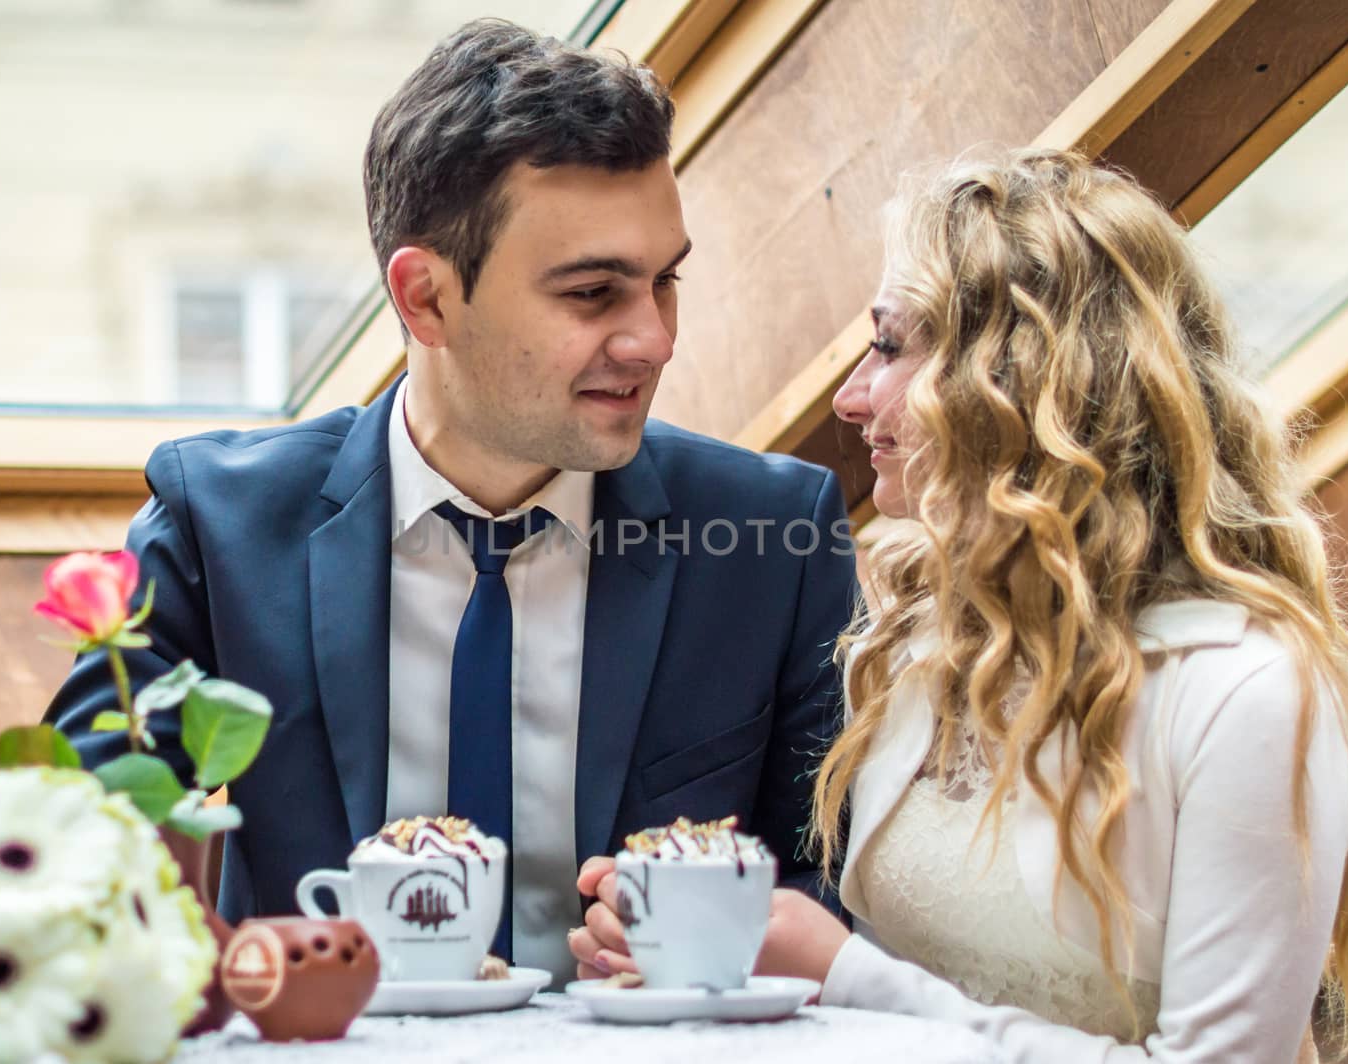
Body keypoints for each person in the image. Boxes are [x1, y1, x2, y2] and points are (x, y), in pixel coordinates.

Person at [46, 18, 858, 980]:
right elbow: (69, 850)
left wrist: (722, 944)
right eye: (595, 293)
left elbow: (837, 889)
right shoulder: (216, 525)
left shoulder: (775, 537)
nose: (653, 339)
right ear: (425, 298)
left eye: (664, 281)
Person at [570, 149, 1348, 1060]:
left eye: (888, 347)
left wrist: (842, 975)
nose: (850, 398)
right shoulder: (922, 638)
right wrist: (713, 952)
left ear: (1024, 381)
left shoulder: (1247, 694)